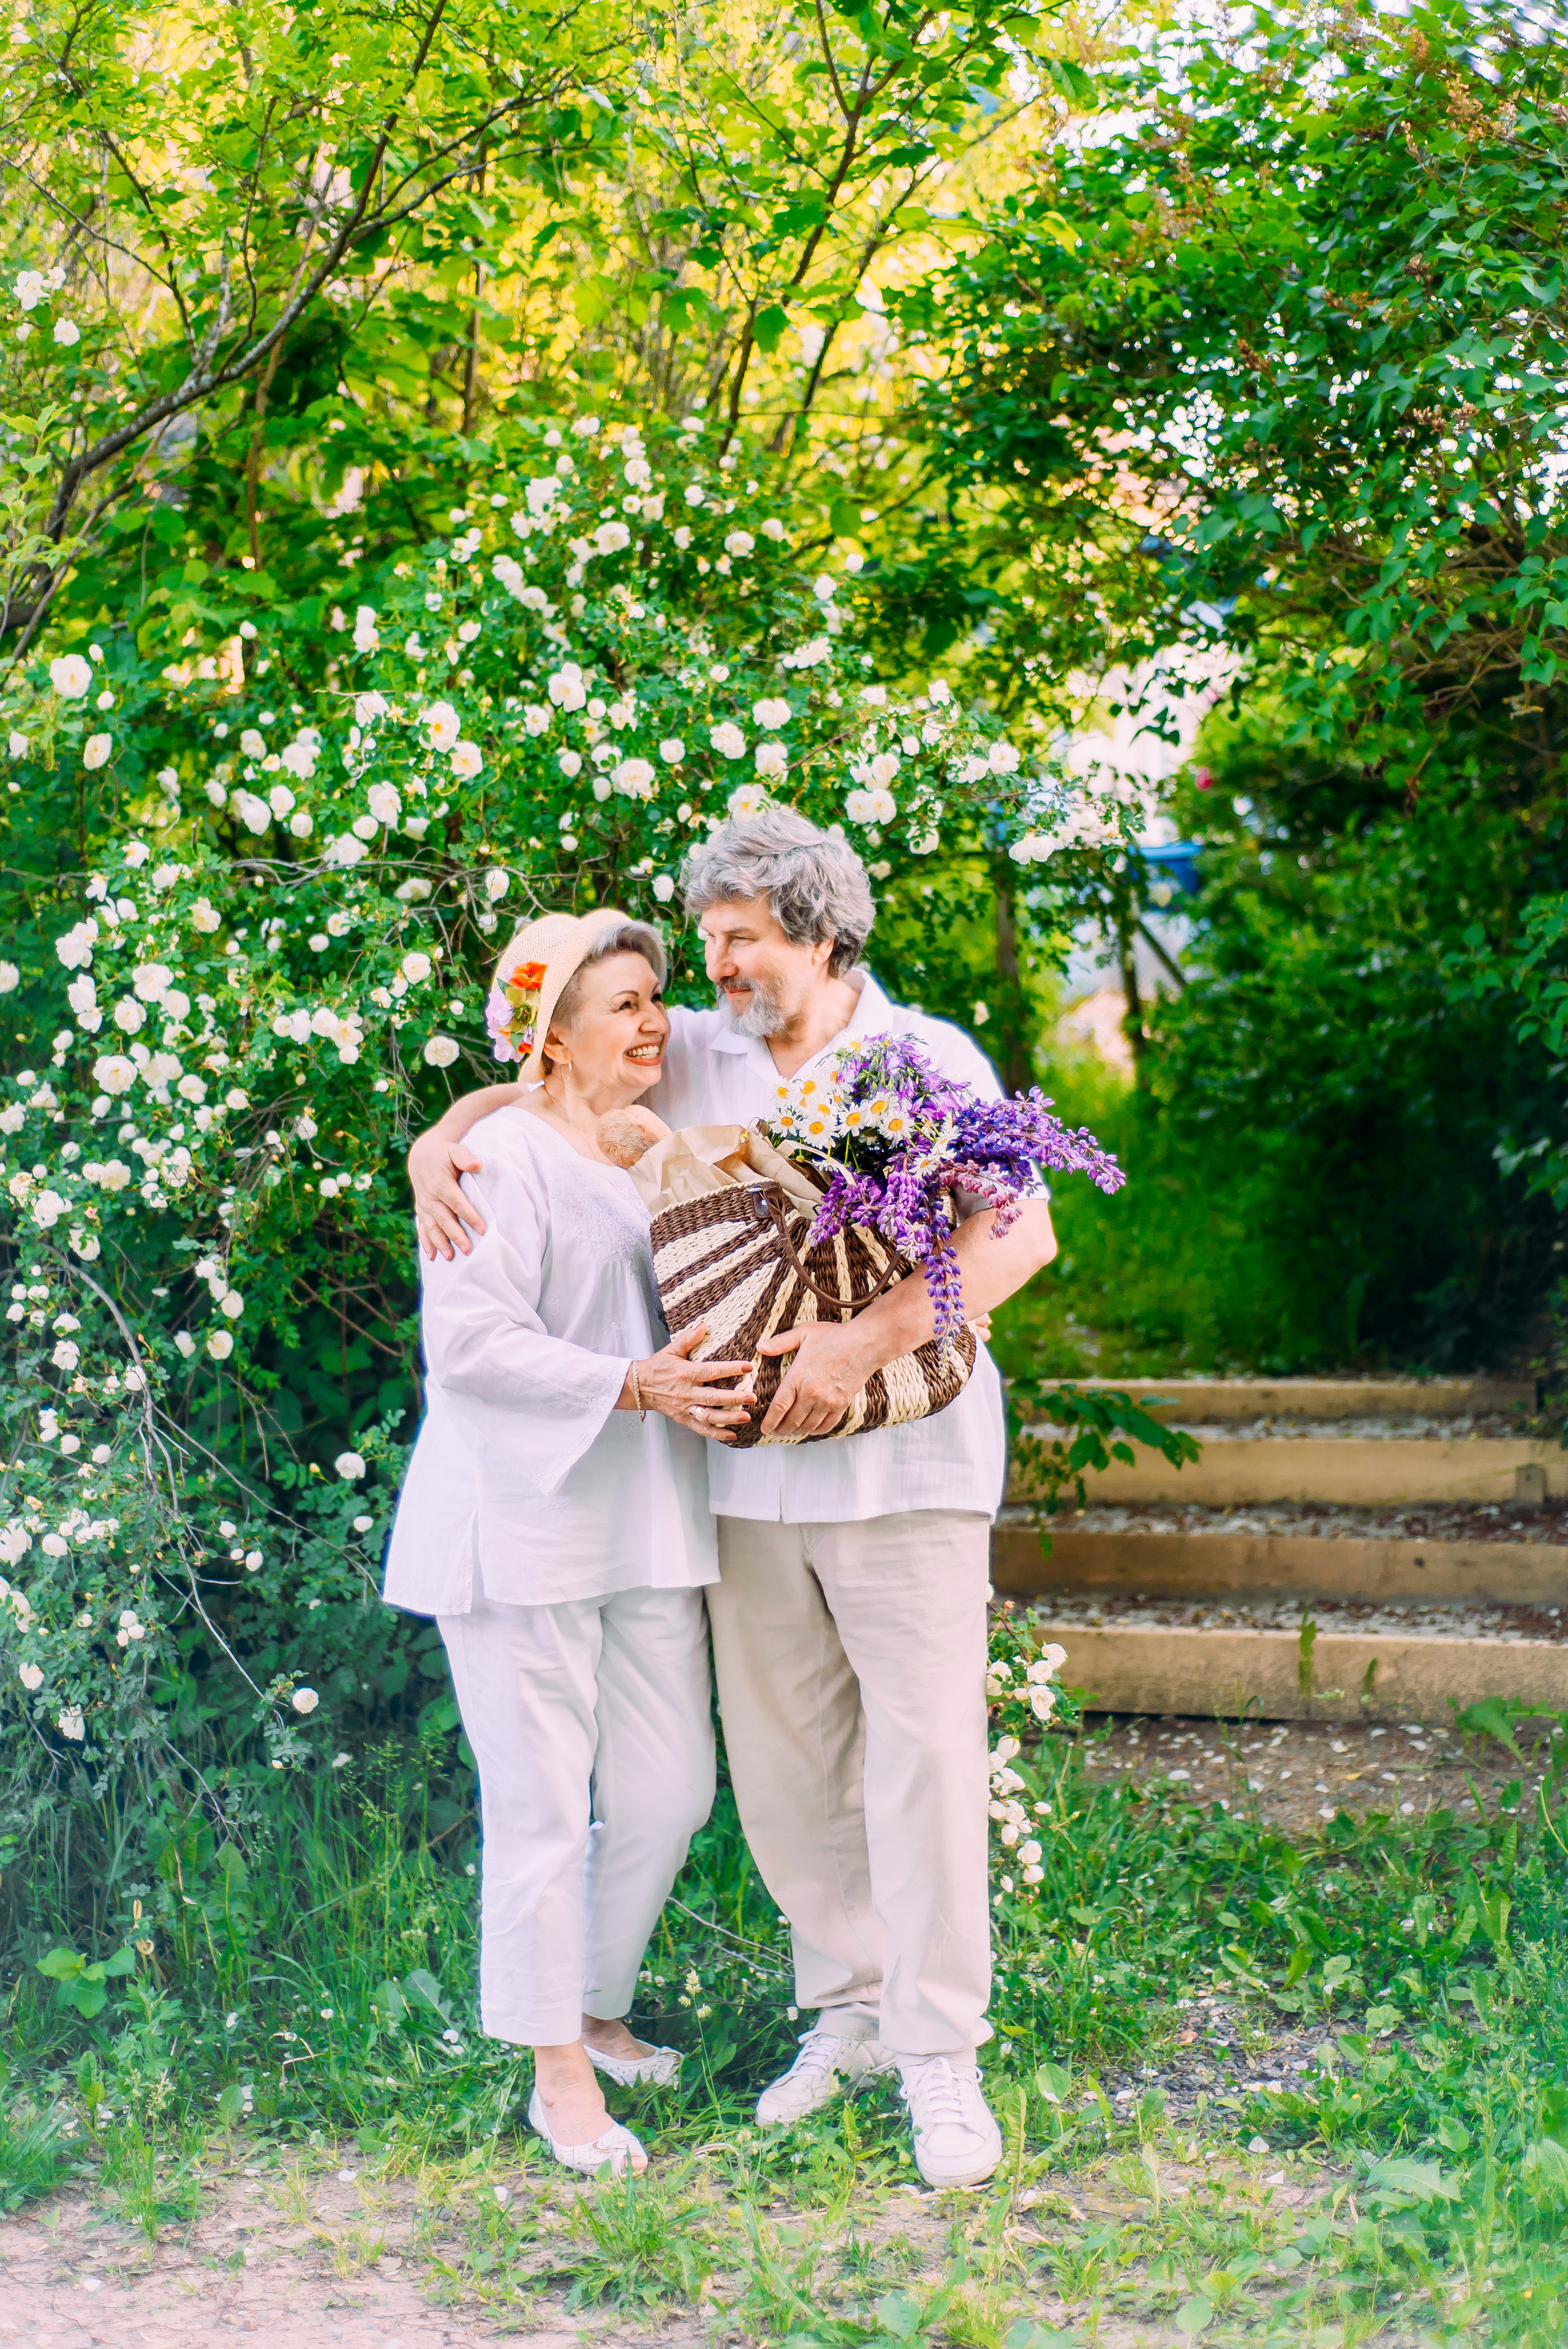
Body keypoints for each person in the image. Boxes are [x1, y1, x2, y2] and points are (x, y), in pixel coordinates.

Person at [408, 813, 1059, 2189]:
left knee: (925, 1757)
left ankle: (938, 2052)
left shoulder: (923, 1058)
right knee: (782, 1769)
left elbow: (1019, 1230)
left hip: (907, 1474)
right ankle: (846, 2019)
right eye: (704, 939)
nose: (714, 965)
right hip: (749, 1486)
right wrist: (438, 1143)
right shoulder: (699, 1045)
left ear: (821, 933)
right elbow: (545, 1086)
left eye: (740, 938)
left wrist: (857, 1343)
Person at [383, 906, 753, 2176]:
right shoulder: (494, 1161)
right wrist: (632, 1384)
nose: (655, 1021)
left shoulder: (631, 1141)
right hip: (523, 1517)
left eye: (658, 997)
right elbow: (470, 1348)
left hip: (645, 1514)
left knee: (666, 1790)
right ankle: (555, 2075)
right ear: (551, 1033)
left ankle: (589, 2007)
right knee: (541, 1809)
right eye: (625, 1005)